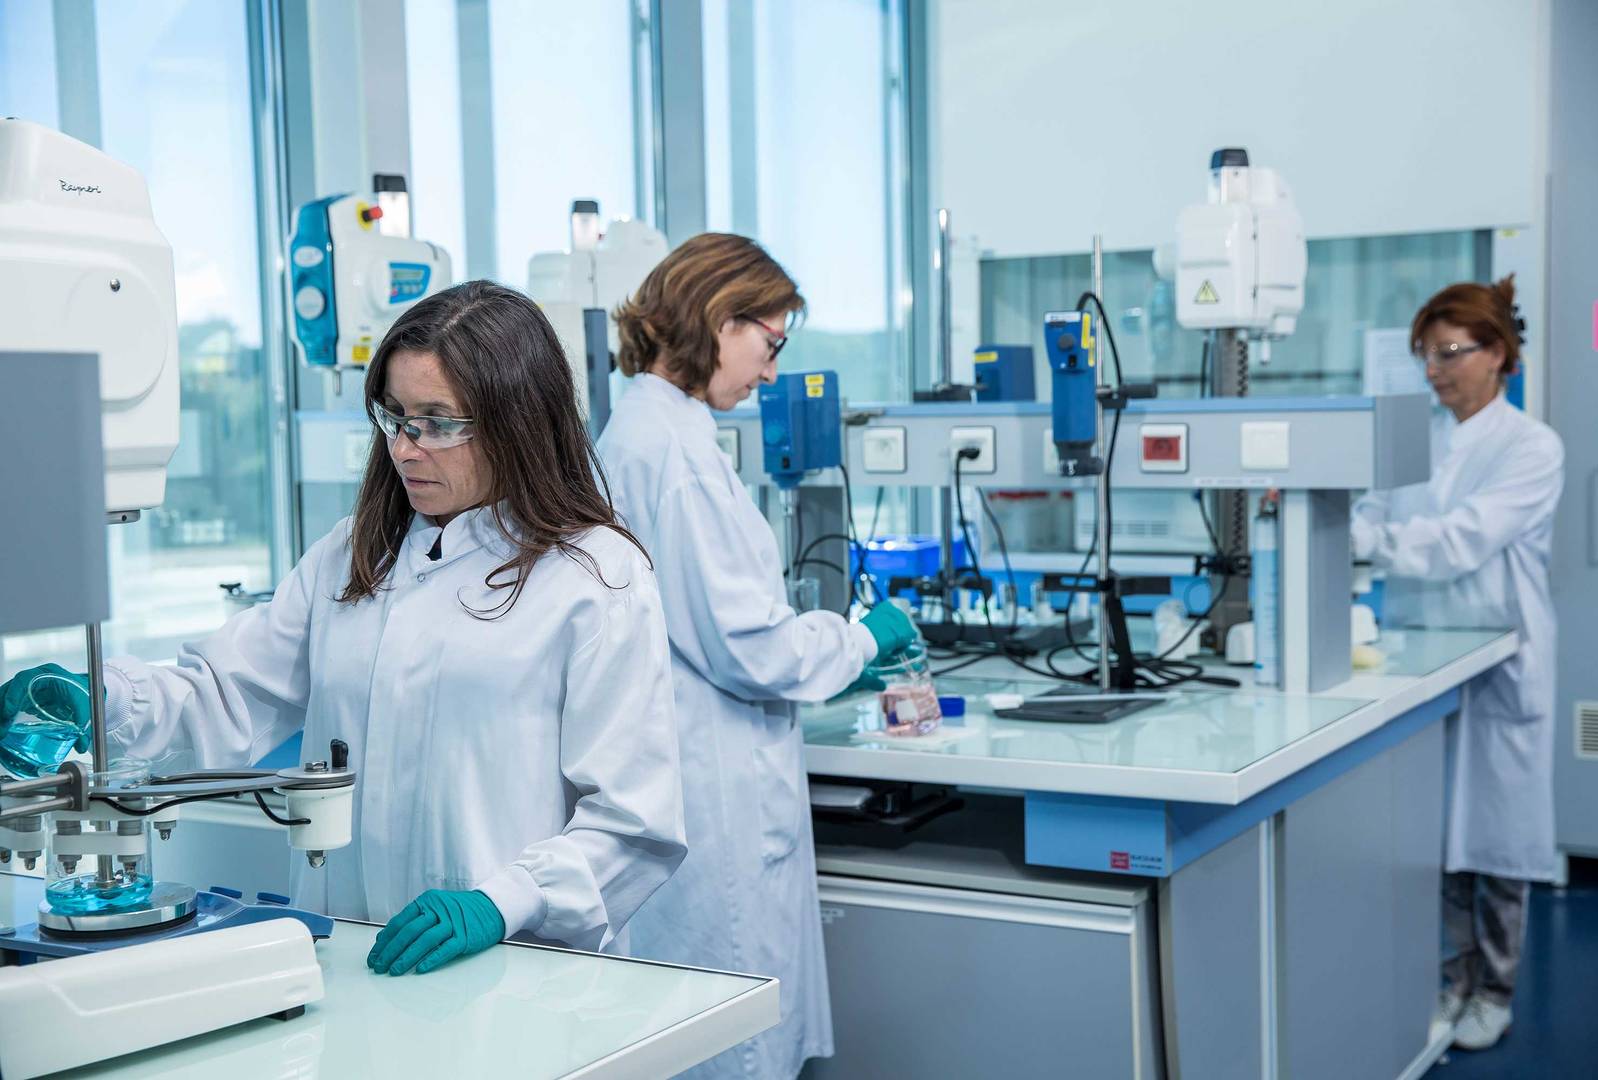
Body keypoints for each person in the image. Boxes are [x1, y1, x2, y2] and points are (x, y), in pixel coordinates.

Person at [0, 281, 686, 975]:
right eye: (394, 417)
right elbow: (228, 693)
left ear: (518, 422)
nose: (407, 449)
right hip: (350, 954)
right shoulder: (359, 551)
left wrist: (506, 900)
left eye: (438, 422)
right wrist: (102, 698)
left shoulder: (595, 575)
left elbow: (633, 823)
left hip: (517, 970)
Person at [597, 233, 917, 1078]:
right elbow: (751, 648)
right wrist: (858, 639)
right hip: (712, 787)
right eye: (769, 344)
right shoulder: (673, 456)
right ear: (718, 317)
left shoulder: (651, 433)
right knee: (729, 1040)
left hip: (696, 767)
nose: (772, 372)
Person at [1350, 275, 1563, 1051]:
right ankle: (1448, 980)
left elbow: (1460, 540)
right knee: (1431, 840)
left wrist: (1365, 540)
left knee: (1499, 844)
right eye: (1425, 357)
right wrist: (1342, 518)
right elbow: (1371, 509)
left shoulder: (1531, 447)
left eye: (1449, 354)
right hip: (1422, 657)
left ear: (1497, 353)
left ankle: (1495, 989)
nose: (1435, 371)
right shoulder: (1417, 442)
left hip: (1501, 656)